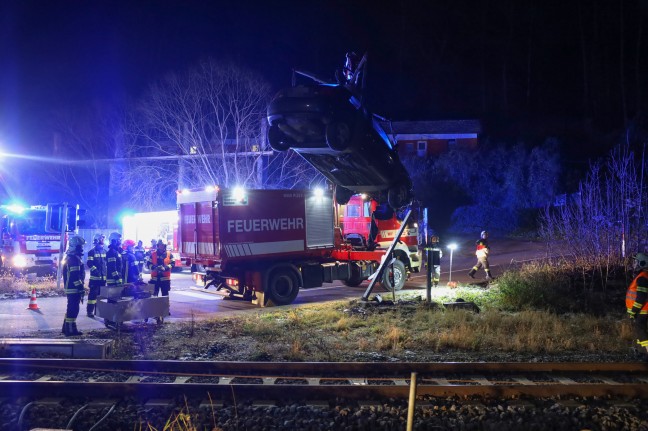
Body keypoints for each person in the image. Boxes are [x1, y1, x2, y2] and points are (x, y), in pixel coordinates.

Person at [62, 235, 86, 336]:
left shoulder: (71, 257)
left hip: (70, 287)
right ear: (75, 246)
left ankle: (66, 327)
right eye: (80, 246)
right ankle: (71, 330)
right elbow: (75, 277)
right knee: (73, 309)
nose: (82, 248)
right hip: (73, 288)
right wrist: (81, 288)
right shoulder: (74, 259)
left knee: (70, 308)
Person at [626, 253, 648, 357]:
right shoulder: (642, 276)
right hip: (642, 310)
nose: (634, 264)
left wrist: (634, 310)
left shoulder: (642, 278)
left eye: (636, 262)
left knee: (641, 331)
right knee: (640, 331)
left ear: (642, 263)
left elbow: (641, 298)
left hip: (643, 311)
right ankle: (641, 351)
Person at [85, 233, 107, 317]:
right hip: (95, 279)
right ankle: (89, 311)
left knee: (100, 296)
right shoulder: (92, 252)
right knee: (92, 296)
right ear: (97, 240)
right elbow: (89, 263)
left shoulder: (105, 251)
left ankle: (98, 311)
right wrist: (96, 271)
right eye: (101, 239)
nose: (103, 240)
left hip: (103, 279)